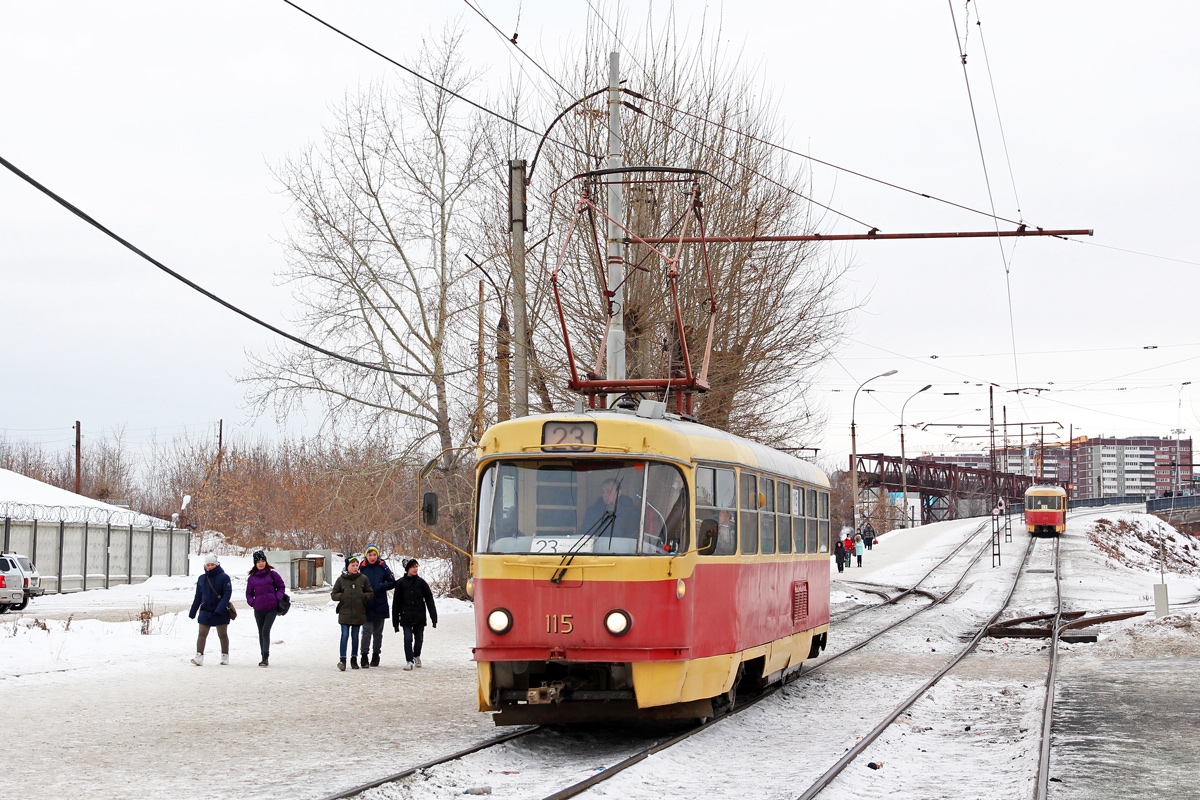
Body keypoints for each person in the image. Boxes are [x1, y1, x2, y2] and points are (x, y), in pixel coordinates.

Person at [392, 558, 437, 670]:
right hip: (405, 616)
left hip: (419, 616)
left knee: (419, 639)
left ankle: (416, 655)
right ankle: (409, 660)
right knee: (407, 639)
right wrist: (395, 622)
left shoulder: (421, 583)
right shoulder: (400, 583)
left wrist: (433, 617)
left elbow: (429, 600)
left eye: (416, 566)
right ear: (408, 569)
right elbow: (396, 603)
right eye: (413, 567)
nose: (415, 569)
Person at [331, 555, 374, 671]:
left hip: (358, 612)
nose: (355, 568)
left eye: (356, 565)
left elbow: (370, 592)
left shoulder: (363, 579)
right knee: (344, 635)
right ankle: (342, 659)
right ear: (347, 567)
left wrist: (362, 596)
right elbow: (333, 594)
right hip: (344, 612)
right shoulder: (341, 579)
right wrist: (342, 596)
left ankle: (354, 659)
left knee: (355, 636)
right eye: (352, 565)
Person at [188, 553, 232, 666]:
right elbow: (198, 596)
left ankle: (225, 655)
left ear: (217, 564)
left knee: (222, 634)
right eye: (208, 565)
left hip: (220, 611)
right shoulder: (202, 578)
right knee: (202, 633)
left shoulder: (224, 577)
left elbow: (227, 594)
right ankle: (199, 656)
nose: (210, 567)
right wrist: (193, 611)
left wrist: (220, 609)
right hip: (205, 610)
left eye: (212, 564)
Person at [357, 545, 397, 668]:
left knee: (378, 633)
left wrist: (381, 586)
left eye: (375, 555)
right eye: (370, 555)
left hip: (380, 604)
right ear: (366, 556)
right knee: (366, 631)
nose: (373, 558)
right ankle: (364, 655)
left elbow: (392, 582)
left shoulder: (382, 567)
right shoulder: (362, 568)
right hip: (366, 605)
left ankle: (376, 655)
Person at [245, 549, 287, 667]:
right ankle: (263, 655)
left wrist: (277, 598)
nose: (261, 563)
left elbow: (281, 587)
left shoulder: (273, 574)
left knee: (265, 631)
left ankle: (265, 657)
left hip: (271, 608)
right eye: (258, 561)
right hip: (258, 609)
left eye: (263, 561)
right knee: (260, 632)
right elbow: (248, 594)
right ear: (255, 563)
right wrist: (253, 602)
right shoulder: (252, 578)